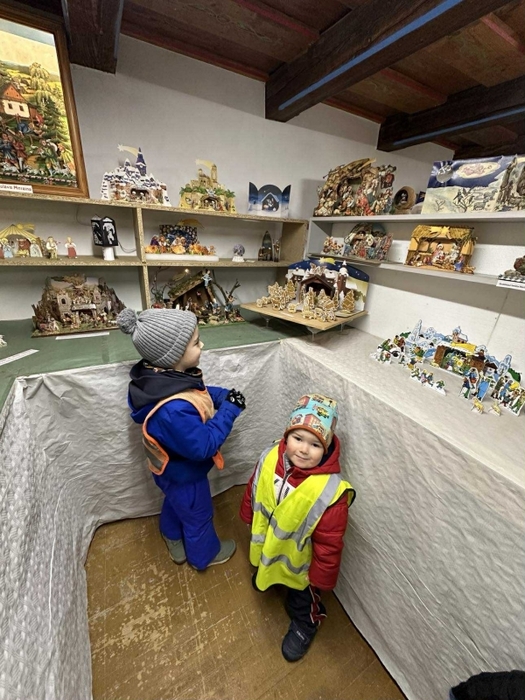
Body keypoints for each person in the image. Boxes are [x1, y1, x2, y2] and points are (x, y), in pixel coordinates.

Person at [117, 307, 246, 570]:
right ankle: (204, 556)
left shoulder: (162, 379)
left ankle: (172, 534)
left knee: (177, 503)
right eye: (196, 342)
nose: (202, 345)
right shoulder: (173, 410)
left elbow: (197, 392)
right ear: (173, 356)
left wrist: (222, 396)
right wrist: (230, 410)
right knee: (198, 515)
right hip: (185, 475)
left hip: (169, 471)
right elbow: (204, 445)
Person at [240, 394, 355, 662]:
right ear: (287, 435)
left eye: (315, 444)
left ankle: (307, 623)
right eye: (298, 438)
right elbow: (254, 487)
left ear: (327, 448)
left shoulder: (330, 492)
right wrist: (247, 512)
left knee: (302, 598)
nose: (303, 450)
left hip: (302, 565)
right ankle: (267, 576)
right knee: (268, 562)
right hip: (270, 545)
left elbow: (329, 544)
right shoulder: (270, 455)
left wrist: (321, 579)